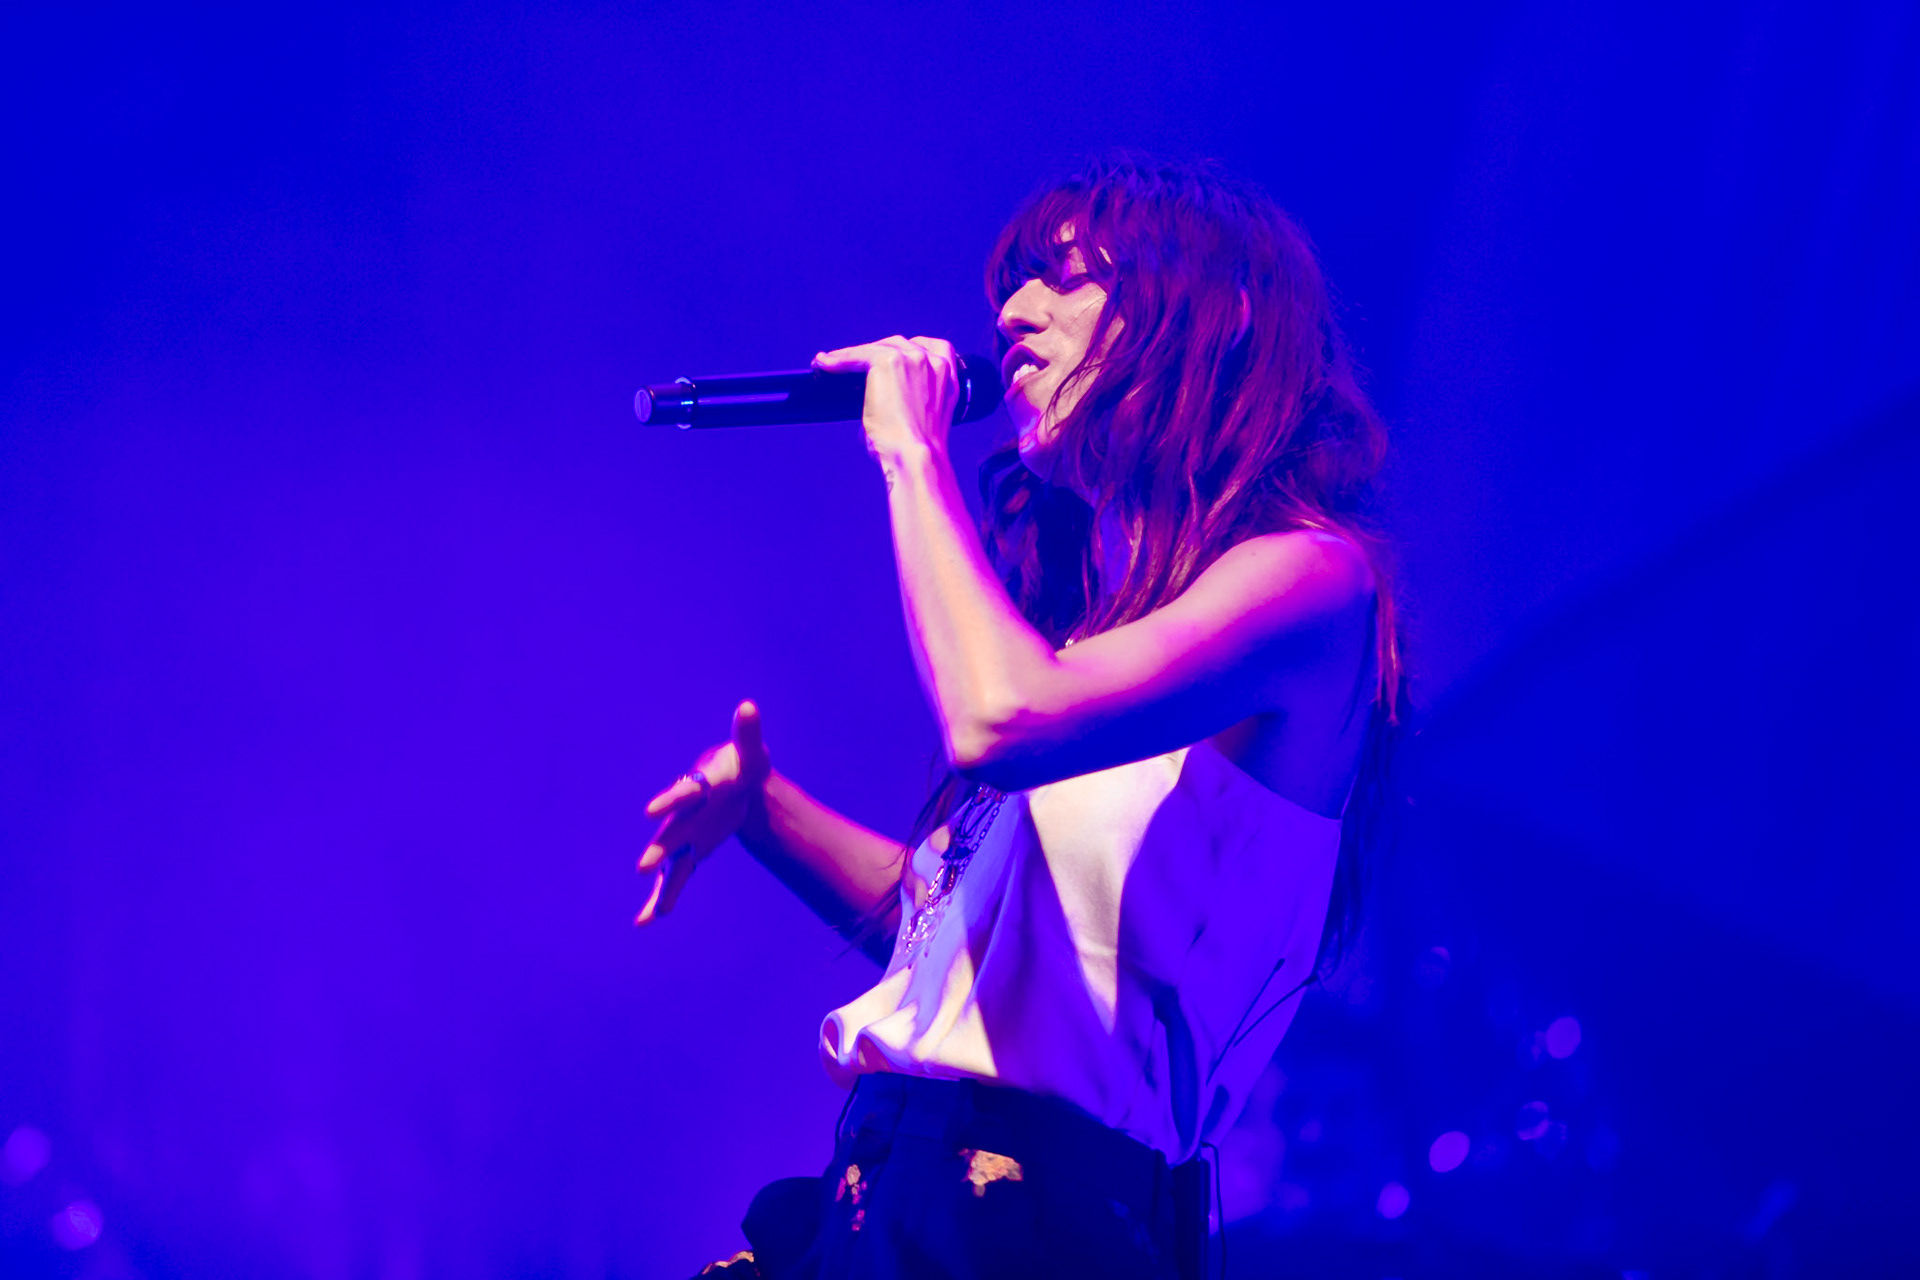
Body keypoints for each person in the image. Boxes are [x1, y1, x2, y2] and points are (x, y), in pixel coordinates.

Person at [636, 153, 1404, 1280]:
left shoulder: (1312, 583)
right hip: (887, 1191)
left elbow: (995, 720)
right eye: (1012, 284)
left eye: (1064, 277)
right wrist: (766, 812)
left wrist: (909, 450)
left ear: (1216, 315)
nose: (1011, 314)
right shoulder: (1088, 642)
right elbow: (965, 943)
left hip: (1037, 1226)